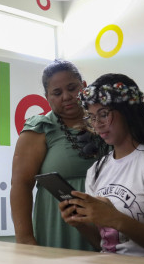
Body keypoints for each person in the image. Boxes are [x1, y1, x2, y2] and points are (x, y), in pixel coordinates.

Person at [59, 74, 144, 257]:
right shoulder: (96, 170)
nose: (98, 124)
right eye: (92, 117)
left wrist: (115, 218)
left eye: (104, 114)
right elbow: (106, 244)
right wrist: (80, 223)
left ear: (128, 112)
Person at [11, 60, 105, 251]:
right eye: (57, 93)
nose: (67, 97)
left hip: (107, 224)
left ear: (84, 87)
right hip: (59, 226)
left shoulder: (105, 123)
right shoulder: (40, 128)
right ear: (47, 97)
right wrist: (25, 240)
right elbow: (21, 185)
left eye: (72, 88)